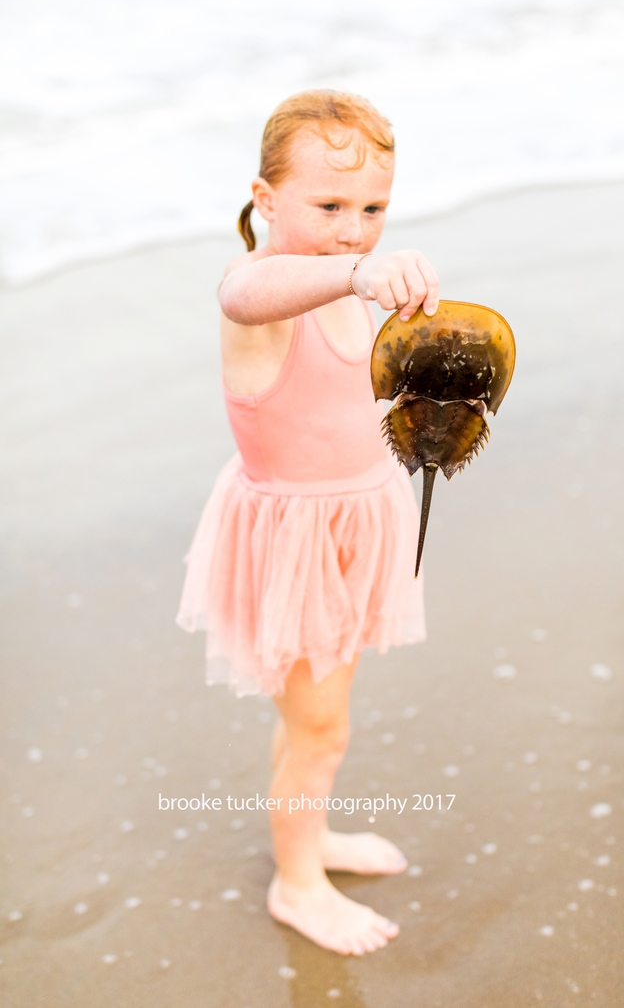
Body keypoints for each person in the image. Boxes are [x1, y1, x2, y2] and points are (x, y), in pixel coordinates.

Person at [177, 89, 439, 956]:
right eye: (328, 206)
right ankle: (297, 883)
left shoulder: (341, 284)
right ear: (265, 198)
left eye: (372, 210)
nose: (353, 229)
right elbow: (251, 293)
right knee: (320, 723)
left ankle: (311, 833)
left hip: (355, 528)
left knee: (325, 715)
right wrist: (358, 272)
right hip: (293, 543)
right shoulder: (259, 289)